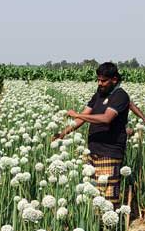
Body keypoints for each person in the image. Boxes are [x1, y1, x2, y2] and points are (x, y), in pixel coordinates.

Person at [55, 62, 130, 208]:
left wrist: (77, 114)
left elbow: (106, 118)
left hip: (110, 152)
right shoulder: (99, 94)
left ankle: (109, 229)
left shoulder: (120, 96)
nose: (99, 83)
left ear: (114, 80)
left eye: (103, 80)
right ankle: (96, 229)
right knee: (92, 195)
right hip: (92, 151)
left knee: (108, 198)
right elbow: (82, 118)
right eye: (98, 80)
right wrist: (62, 134)